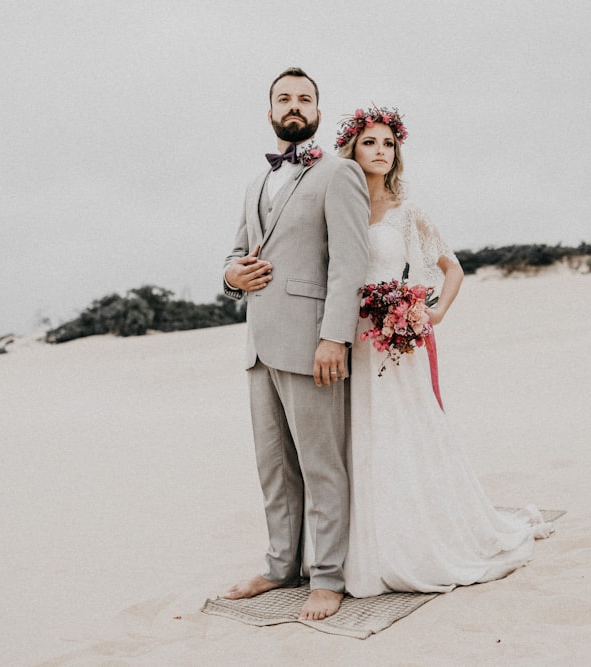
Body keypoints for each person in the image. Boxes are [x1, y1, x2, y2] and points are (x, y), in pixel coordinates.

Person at [335, 106, 553, 598]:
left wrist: (430, 313)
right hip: (352, 340)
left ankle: (417, 541)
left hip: (395, 343)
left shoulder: (408, 213)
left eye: (388, 144)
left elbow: (452, 270)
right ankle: (360, 545)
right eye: (370, 142)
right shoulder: (340, 208)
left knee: (404, 431)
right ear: (352, 148)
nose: (380, 151)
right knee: (358, 435)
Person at [220, 69, 370, 620]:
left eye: (304, 98)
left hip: (314, 344)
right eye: (284, 98)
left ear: (317, 112)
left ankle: (327, 576)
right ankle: (281, 564)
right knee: (274, 466)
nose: (294, 105)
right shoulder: (255, 184)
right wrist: (233, 278)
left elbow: (350, 264)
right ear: (270, 112)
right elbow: (234, 255)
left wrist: (335, 337)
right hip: (259, 345)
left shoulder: (339, 173)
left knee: (321, 463)